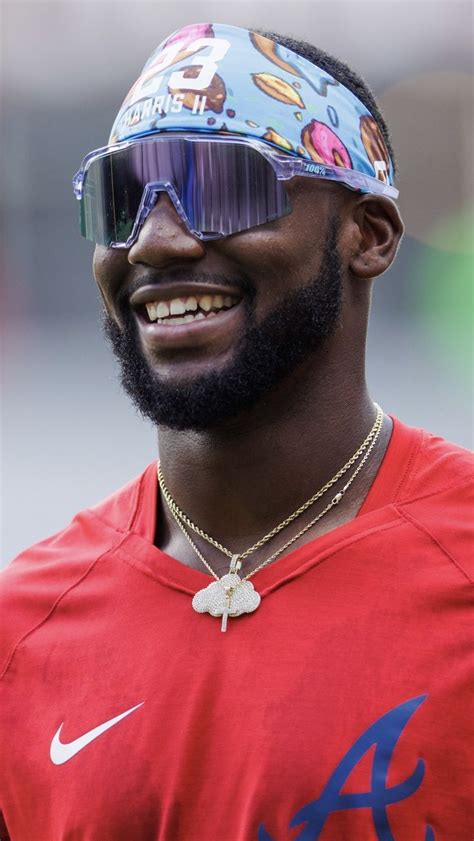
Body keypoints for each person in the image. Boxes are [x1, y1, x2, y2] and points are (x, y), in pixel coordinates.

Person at [0, 21, 472, 841]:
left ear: (369, 234)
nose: (156, 240)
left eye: (221, 185)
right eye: (122, 198)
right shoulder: (23, 629)